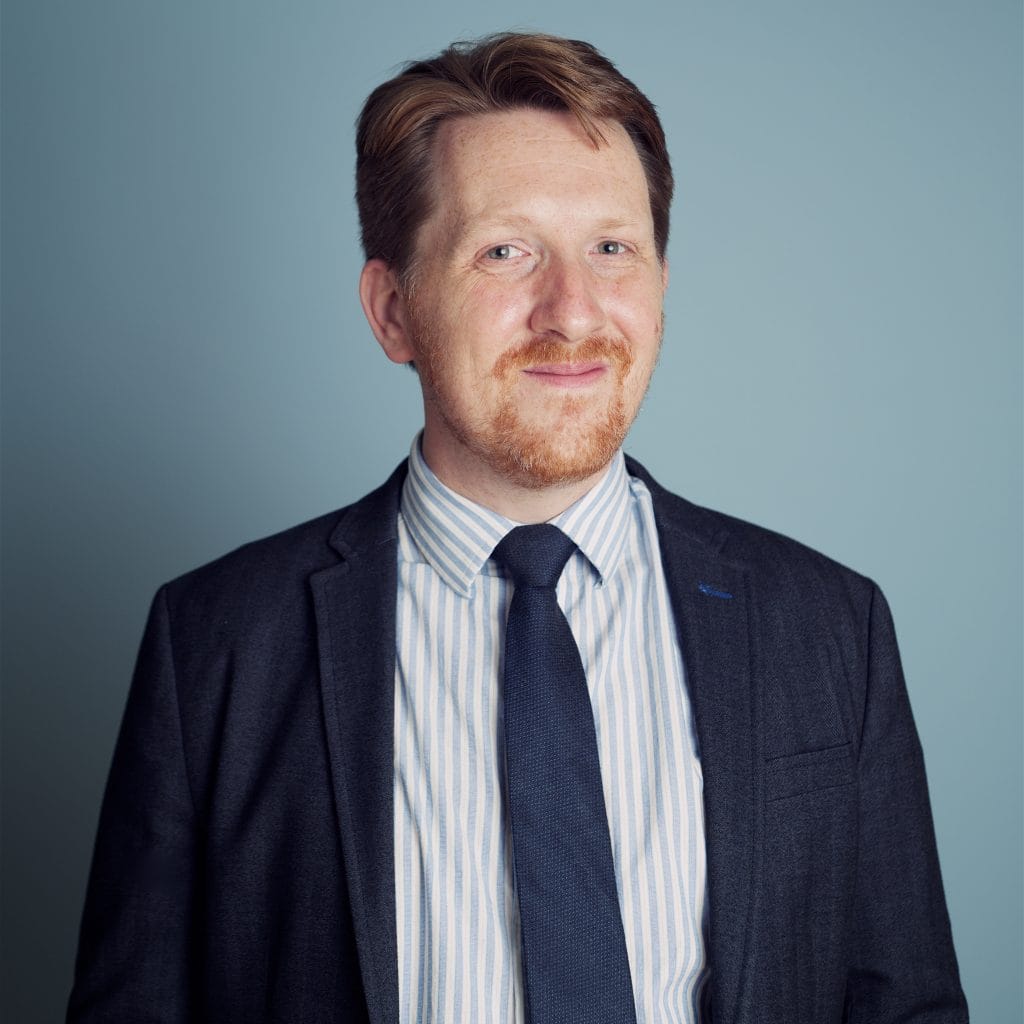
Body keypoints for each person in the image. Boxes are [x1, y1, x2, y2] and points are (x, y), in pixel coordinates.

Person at [67, 32, 968, 1024]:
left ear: (661, 289)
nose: (572, 313)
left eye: (611, 250)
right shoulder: (216, 644)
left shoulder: (829, 626)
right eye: (505, 251)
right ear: (393, 310)